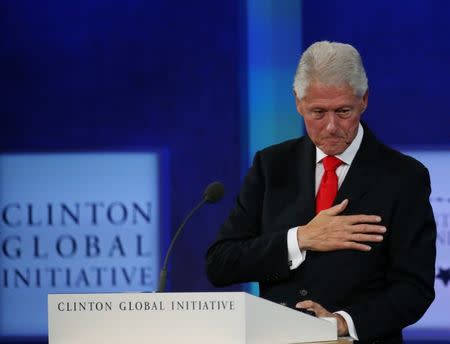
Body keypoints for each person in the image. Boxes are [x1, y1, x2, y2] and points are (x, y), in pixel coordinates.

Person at [206, 41, 436, 344]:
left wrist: (342, 322)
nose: (330, 126)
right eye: (317, 112)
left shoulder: (404, 177)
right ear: (298, 103)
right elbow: (220, 264)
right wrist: (300, 239)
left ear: (364, 100)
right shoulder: (271, 165)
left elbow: (414, 288)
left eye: (343, 111)